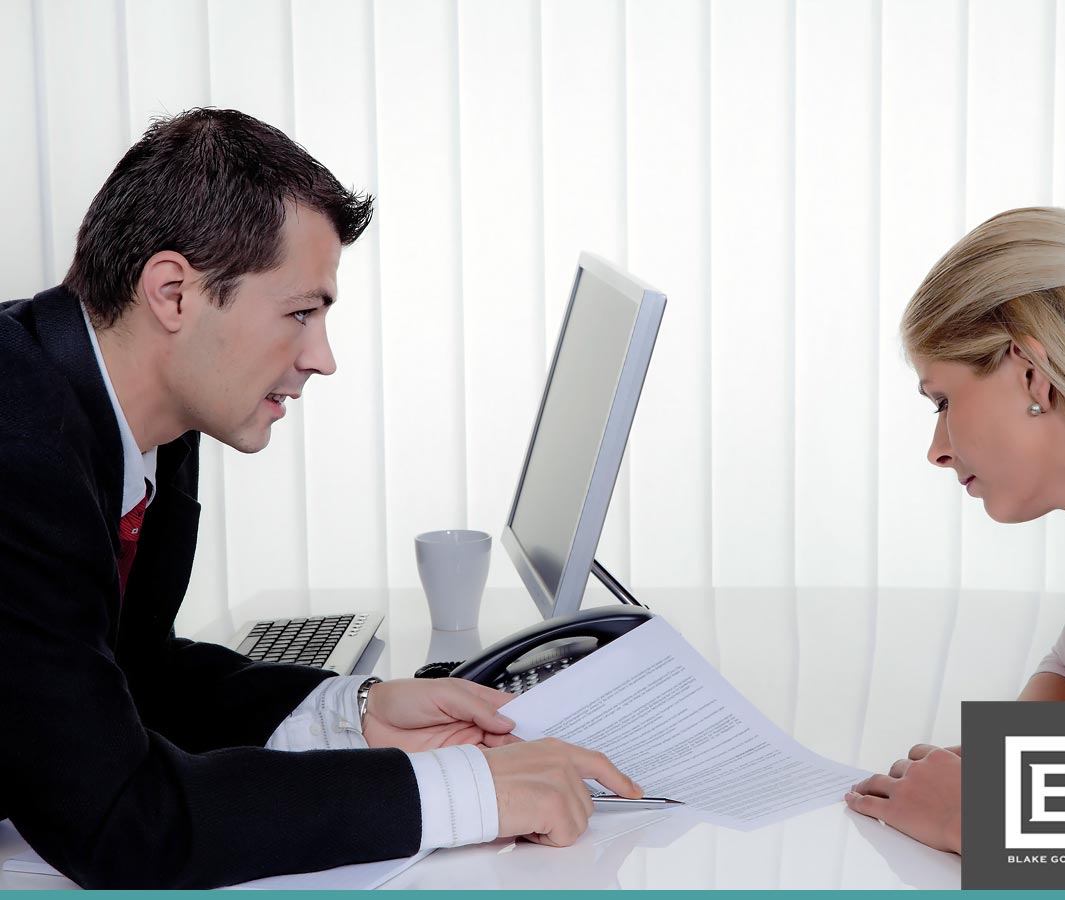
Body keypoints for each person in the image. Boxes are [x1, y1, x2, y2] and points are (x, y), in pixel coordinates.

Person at [0, 108, 641, 889]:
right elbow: (123, 821)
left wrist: (354, 713)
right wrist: (469, 793)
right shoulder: (19, 448)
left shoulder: (149, 416)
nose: (321, 358)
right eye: (301, 313)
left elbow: (134, 673)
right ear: (173, 293)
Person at [841, 206, 1065, 888]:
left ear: (1033, 374)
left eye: (941, 400)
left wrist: (979, 812)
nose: (937, 450)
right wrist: (994, 766)